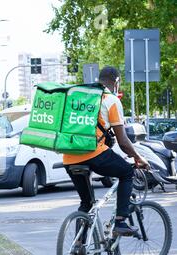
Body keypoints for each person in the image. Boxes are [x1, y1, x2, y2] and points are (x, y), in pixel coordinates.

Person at [63, 66, 150, 236]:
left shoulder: (81, 97)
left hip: (69, 157)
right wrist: (138, 157)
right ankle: (120, 222)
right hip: (93, 153)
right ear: (116, 81)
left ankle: (79, 247)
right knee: (126, 172)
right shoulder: (111, 100)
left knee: (86, 203)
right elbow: (123, 141)